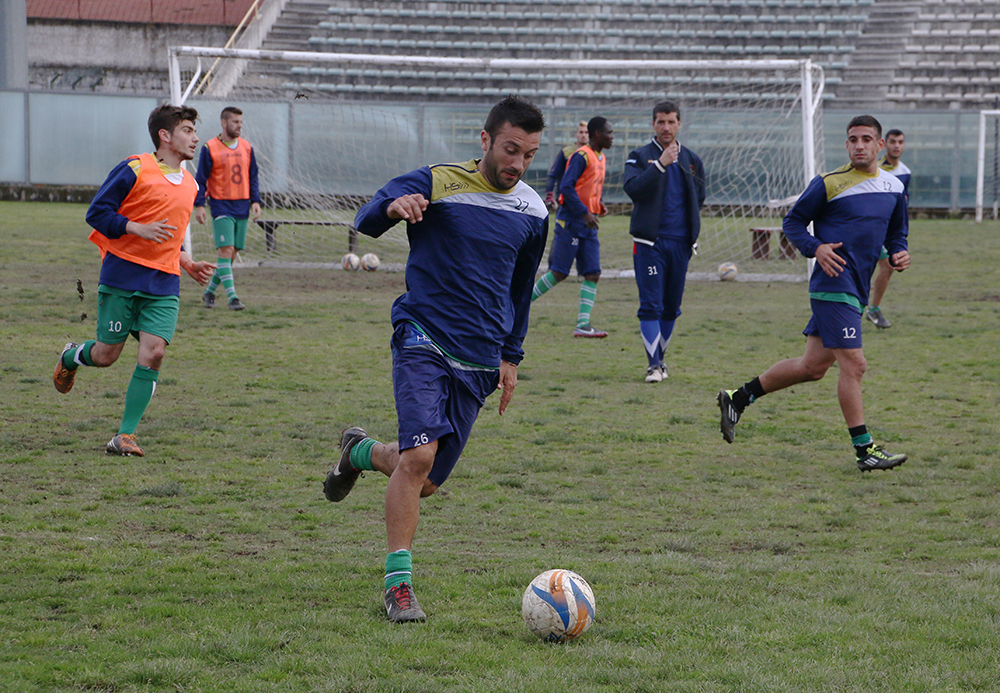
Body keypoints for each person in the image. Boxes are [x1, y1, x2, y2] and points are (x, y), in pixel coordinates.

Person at [323, 96, 548, 623]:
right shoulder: (435, 180)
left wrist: (511, 358)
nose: (517, 163)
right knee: (419, 457)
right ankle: (398, 587)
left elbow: (521, 290)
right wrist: (393, 207)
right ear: (486, 139)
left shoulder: (534, 211)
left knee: (422, 480)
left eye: (529, 155)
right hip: (424, 333)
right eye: (511, 149)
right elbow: (367, 219)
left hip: (481, 356)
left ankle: (359, 452)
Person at [717, 115, 910, 472]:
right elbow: (792, 222)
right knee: (855, 364)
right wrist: (816, 247)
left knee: (813, 367)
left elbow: (897, 232)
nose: (859, 145)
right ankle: (864, 450)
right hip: (831, 283)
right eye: (853, 139)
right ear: (847, 144)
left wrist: (900, 251)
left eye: (867, 139)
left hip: (857, 286)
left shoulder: (894, 187)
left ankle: (737, 398)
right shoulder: (828, 183)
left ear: (880, 145)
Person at [52, 104, 216, 457]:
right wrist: (134, 227)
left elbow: (173, 236)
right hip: (122, 275)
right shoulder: (134, 168)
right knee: (107, 355)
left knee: (154, 352)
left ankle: (124, 436)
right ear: (165, 135)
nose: (195, 137)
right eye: (187, 129)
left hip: (164, 283)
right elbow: (96, 213)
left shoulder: (190, 183)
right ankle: (71, 357)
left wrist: (186, 261)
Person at [623, 100, 706, 383]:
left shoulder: (692, 160)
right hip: (650, 245)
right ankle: (653, 366)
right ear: (653, 124)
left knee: (671, 307)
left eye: (671, 121)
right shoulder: (640, 156)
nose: (666, 127)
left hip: (681, 244)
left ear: (679, 123)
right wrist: (659, 165)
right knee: (651, 305)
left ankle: (660, 361)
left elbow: (699, 198)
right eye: (660, 121)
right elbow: (633, 189)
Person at [531, 116, 614, 338]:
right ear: (597, 135)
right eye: (609, 133)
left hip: (589, 222)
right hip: (572, 221)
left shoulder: (601, 157)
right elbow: (566, 187)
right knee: (559, 272)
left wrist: (597, 206)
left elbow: (588, 188)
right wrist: (584, 211)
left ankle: (582, 324)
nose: (612, 137)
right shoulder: (581, 156)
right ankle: (518, 305)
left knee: (593, 273)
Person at [194, 106, 262, 311]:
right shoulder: (210, 147)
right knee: (226, 250)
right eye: (235, 122)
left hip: (242, 205)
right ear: (224, 123)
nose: (239, 126)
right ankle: (233, 298)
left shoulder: (247, 147)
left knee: (232, 253)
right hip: (221, 205)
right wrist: (199, 204)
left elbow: (253, 176)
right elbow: (201, 179)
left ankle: (209, 292)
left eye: (240, 122)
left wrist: (256, 201)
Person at [868, 128, 911, 329]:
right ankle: (868, 309)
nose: (897, 146)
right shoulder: (875, 169)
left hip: (888, 231)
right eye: (893, 142)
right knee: (876, 267)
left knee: (888, 267)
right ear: (884, 145)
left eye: (900, 142)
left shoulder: (905, 172)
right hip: (872, 229)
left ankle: (872, 310)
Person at [543, 120, 589, 211]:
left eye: (586, 132)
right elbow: (553, 174)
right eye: (581, 132)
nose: (583, 135)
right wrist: (549, 195)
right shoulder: (566, 152)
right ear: (575, 135)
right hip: (566, 198)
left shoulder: (592, 154)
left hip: (585, 198)